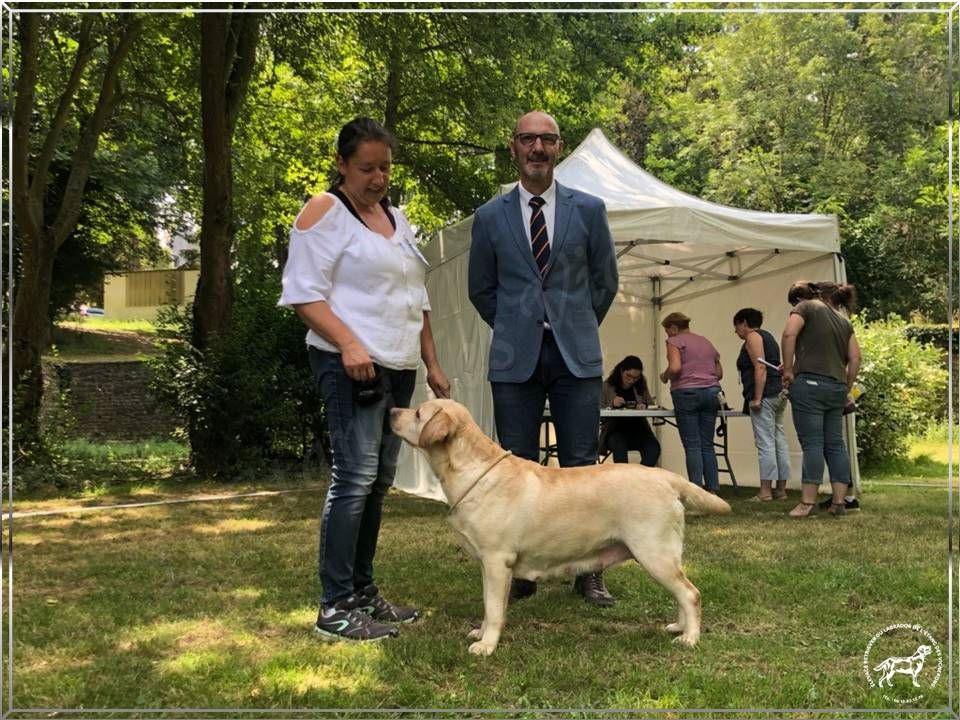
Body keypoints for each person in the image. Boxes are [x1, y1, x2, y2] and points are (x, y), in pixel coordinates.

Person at [279, 117, 450, 642]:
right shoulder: (325, 211)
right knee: (352, 480)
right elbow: (302, 291)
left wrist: (432, 362)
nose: (378, 178)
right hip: (348, 364)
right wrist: (349, 344)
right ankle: (334, 606)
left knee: (378, 484)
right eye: (367, 168)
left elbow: (415, 299)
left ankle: (363, 593)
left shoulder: (398, 219)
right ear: (341, 165)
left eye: (385, 167)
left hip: (397, 367)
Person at [468, 110, 619, 606]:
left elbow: (605, 283)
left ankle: (589, 571)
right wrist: (518, 325)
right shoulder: (490, 217)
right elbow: (481, 290)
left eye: (547, 140)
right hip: (516, 358)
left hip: (578, 355)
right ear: (513, 146)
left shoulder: (590, 210)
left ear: (559, 146)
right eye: (528, 139)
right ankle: (522, 572)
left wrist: (573, 321)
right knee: (514, 467)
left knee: (581, 466)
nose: (537, 147)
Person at [780, 280, 860, 518]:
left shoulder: (806, 307)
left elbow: (789, 333)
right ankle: (838, 502)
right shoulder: (844, 321)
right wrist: (846, 386)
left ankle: (807, 502)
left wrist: (787, 369)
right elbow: (855, 358)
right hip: (836, 387)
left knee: (812, 443)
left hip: (810, 385)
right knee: (835, 444)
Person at [658, 312, 723, 493]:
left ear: (673, 327)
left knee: (693, 445)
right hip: (711, 392)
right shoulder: (706, 342)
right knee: (707, 444)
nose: (667, 335)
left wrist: (665, 376)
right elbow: (719, 373)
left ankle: (696, 490)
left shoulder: (675, 341)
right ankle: (713, 489)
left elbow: (676, 368)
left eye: (667, 331)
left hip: (687, 392)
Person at [732, 307, 791, 502]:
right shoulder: (769, 337)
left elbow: (760, 366)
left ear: (744, 323)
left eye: (737, 326)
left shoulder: (753, 337)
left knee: (765, 442)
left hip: (765, 395)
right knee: (778, 440)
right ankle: (781, 490)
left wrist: (757, 397)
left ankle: (765, 491)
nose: (736, 331)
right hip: (778, 393)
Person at [600, 355, 661, 466]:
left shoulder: (640, 385)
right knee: (619, 448)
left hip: (639, 429)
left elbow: (652, 405)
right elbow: (598, 410)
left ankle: (641, 478)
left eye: (635, 378)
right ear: (621, 370)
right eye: (628, 376)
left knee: (653, 448)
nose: (631, 380)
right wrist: (612, 404)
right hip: (615, 430)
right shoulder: (607, 386)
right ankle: (624, 480)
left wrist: (644, 405)